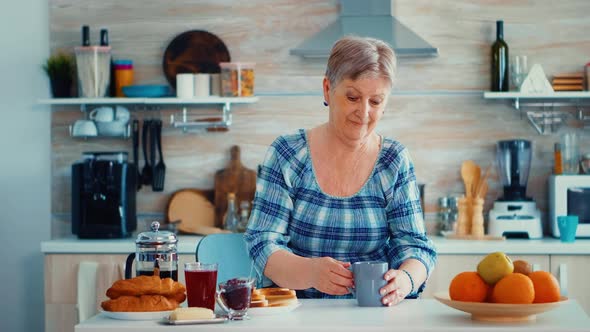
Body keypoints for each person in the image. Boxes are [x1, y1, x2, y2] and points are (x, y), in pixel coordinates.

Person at [244, 36, 436, 306]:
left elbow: (416, 246)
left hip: (373, 315)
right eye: (353, 97)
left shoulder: (394, 160)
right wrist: (310, 272)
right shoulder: (287, 154)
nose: (364, 112)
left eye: (376, 101)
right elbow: (263, 243)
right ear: (327, 89)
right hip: (296, 313)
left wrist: (406, 280)